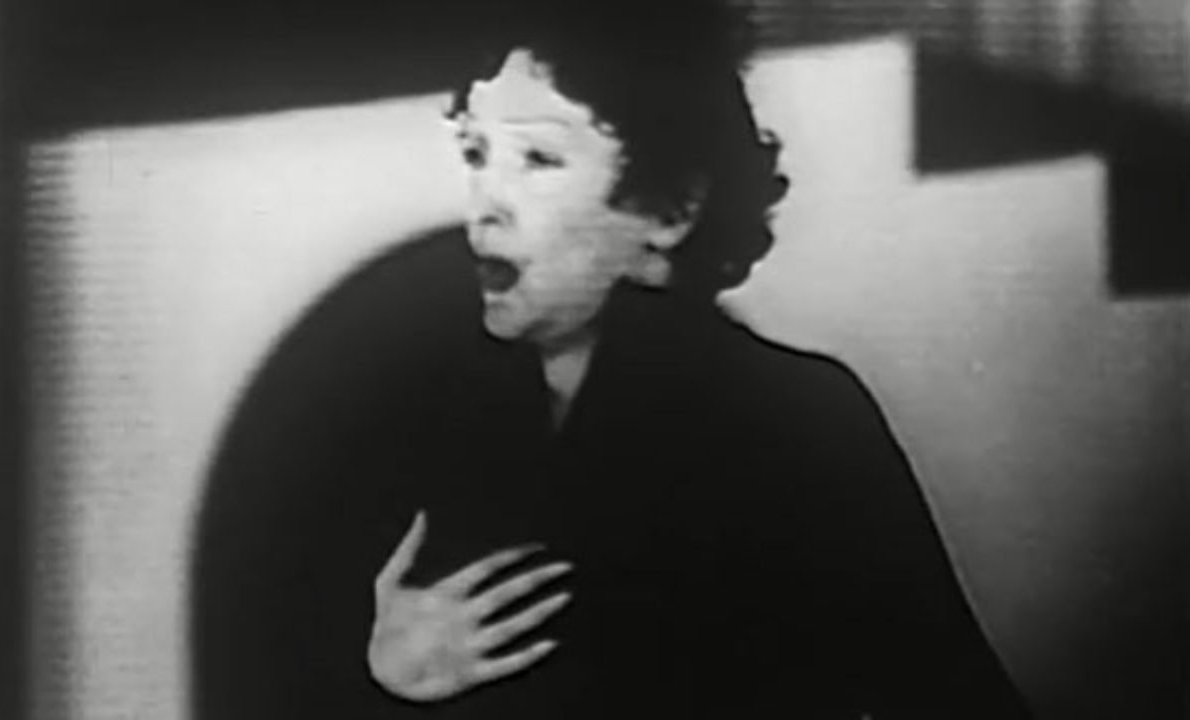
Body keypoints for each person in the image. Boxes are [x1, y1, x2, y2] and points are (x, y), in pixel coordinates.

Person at [191, 1, 1032, 717]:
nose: (487, 204)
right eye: (476, 154)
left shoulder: (799, 420)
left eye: (539, 159)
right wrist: (384, 676)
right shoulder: (427, 415)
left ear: (669, 209)